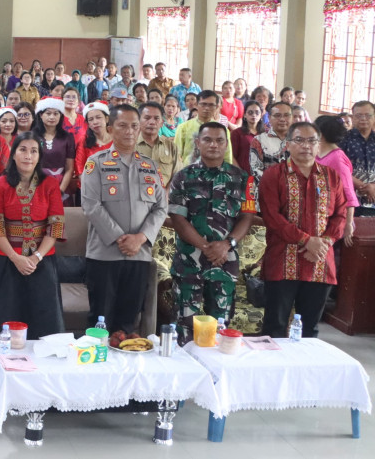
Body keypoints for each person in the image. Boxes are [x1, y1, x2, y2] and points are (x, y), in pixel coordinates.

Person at [81, 105, 168, 334]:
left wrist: (140, 238)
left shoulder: (150, 166)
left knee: (129, 324)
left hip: (139, 255)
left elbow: (161, 207)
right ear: (110, 129)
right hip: (104, 255)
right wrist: (121, 238)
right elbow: (91, 205)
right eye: (122, 125)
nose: (129, 131)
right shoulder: (96, 163)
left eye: (134, 126)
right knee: (100, 322)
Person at [167, 123, 257, 344]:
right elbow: (178, 219)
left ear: (226, 145)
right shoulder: (182, 177)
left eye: (219, 140)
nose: (213, 145)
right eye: (207, 139)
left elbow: (247, 216)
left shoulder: (243, 178)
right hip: (189, 262)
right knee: (185, 326)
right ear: (198, 143)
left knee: (220, 327)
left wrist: (227, 244)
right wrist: (206, 247)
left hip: (225, 262)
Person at [259, 122, 348, 338]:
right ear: (288, 144)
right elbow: (272, 217)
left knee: (309, 331)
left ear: (319, 145)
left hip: (320, 264)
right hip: (282, 262)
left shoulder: (332, 176)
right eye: (299, 140)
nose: (306, 145)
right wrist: (307, 241)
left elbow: (340, 215)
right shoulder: (273, 175)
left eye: (311, 141)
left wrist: (323, 243)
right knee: (275, 327)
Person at [0, 132, 66, 341]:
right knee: (3, 319)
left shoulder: (50, 184)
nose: (28, 156)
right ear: (13, 154)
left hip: (42, 262)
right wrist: (16, 258)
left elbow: (55, 227)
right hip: (6, 261)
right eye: (22, 150)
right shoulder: (0, 184)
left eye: (33, 151)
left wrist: (36, 258)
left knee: (44, 322)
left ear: (39, 156)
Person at [315, 115, 358, 246]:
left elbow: (348, 193)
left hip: (334, 220)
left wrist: (348, 224)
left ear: (320, 134)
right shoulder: (318, 154)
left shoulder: (337, 159)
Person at [33, 97, 76, 202]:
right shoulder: (32, 136)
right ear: (40, 115)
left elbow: (69, 168)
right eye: (48, 113)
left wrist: (60, 190)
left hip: (62, 185)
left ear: (60, 116)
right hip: (38, 183)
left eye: (56, 114)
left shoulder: (67, 137)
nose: (52, 117)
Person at [174, 91, 234, 166]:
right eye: (203, 104)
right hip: (188, 170)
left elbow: (227, 156)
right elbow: (176, 155)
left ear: (216, 107)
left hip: (214, 171)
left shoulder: (222, 130)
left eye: (211, 105)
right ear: (196, 105)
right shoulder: (183, 128)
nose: (207, 108)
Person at [341, 100, 375, 217]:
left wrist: (373, 187)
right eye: (359, 115)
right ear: (353, 118)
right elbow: (338, 168)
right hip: (349, 199)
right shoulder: (343, 139)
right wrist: (362, 186)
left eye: (368, 115)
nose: (363, 119)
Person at [136, 102, 179, 188]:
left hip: (165, 194)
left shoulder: (171, 146)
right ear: (138, 121)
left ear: (162, 123)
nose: (152, 122)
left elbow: (177, 175)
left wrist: (166, 192)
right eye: (147, 118)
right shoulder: (129, 146)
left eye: (156, 118)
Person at [250, 101, 293, 185]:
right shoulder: (259, 140)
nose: (282, 119)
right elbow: (256, 170)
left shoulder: (299, 140)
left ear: (292, 117)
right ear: (269, 118)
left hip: (294, 189)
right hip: (268, 188)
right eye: (277, 115)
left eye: (286, 115)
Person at [232, 100, 265, 174]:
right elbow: (232, 157)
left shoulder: (266, 134)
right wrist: (241, 173)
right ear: (244, 115)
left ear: (261, 115)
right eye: (250, 112)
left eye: (257, 112)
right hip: (243, 174)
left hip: (262, 175)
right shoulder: (237, 133)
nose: (254, 115)